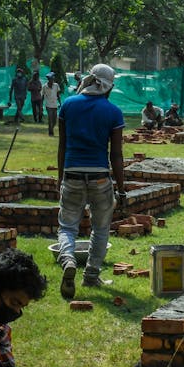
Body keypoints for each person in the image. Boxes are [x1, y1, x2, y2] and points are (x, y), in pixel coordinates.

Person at [55, 64, 125, 299]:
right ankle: (91, 275)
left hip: (72, 173)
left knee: (67, 225)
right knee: (101, 227)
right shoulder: (112, 112)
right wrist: (122, 188)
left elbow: (62, 146)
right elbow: (116, 154)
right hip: (100, 177)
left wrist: (60, 177)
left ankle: (67, 259)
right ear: (108, 86)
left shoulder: (68, 105)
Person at [41, 72, 62, 136]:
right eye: (51, 79)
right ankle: (51, 132)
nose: (52, 80)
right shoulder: (44, 86)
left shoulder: (56, 85)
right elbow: (42, 96)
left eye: (53, 79)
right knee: (50, 118)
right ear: (49, 79)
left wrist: (60, 103)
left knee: (54, 120)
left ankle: (51, 128)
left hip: (55, 105)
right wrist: (41, 105)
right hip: (48, 105)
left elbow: (58, 95)